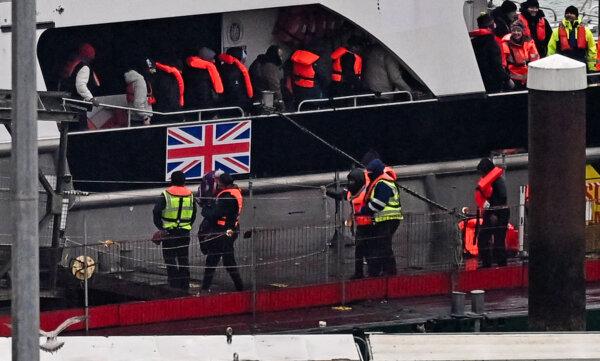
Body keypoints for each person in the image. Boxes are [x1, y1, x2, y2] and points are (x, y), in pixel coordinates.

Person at [152, 170, 197, 291]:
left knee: (170, 260)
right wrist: (187, 225)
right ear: (184, 181)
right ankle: (185, 286)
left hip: (169, 233)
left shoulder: (166, 194)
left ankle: (173, 286)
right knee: (183, 259)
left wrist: (160, 227)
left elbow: (156, 211)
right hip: (184, 232)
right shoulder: (190, 194)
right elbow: (194, 214)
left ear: (171, 180)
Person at [199, 172, 244, 292]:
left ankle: (205, 289)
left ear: (222, 183)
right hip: (230, 230)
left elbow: (214, 214)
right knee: (227, 260)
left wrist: (204, 209)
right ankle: (239, 287)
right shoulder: (235, 192)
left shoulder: (227, 197)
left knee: (214, 261)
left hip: (222, 232)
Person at [326, 168, 372, 279]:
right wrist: (326, 191)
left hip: (371, 225)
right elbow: (340, 194)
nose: (350, 184)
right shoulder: (354, 192)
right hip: (361, 226)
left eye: (352, 181)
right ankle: (359, 273)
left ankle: (373, 273)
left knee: (371, 252)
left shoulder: (368, 191)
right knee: (359, 251)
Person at [361, 159, 402, 277]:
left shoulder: (383, 183)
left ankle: (388, 271)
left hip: (388, 219)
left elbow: (379, 204)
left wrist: (365, 210)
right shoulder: (383, 181)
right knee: (382, 245)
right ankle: (385, 270)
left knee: (383, 245)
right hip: (387, 219)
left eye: (370, 173)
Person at [475, 158, 509, 268]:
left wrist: (494, 213)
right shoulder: (490, 181)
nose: (481, 174)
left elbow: (502, 197)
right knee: (483, 239)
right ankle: (486, 264)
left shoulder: (498, 181)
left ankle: (502, 265)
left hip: (499, 212)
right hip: (491, 212)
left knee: (498, 239)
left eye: (482, 171)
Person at [58, 43, 101, 129]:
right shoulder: (85, 68)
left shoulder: (75, 66)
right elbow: (81, 86)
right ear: (89, 57)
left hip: (70, 105)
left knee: (71, 129)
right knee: (81, 128)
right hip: (78, 106)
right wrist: (91, 99)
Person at [470, 14, 514, 92]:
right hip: (492, 81)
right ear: (490, 25)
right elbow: (496, 64)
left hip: (479, 79)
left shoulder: (473, 41)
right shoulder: (491, 42)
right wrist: (507, 79)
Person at [547, 6, 597, 71]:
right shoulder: (557, 31)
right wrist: (550, 65)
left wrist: (592, 68)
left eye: (572, 13)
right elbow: (551, 49)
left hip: (581, 64)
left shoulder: (586, 31)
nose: (569, 15)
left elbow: (592, 49)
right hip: (562, 65)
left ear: (576, 16)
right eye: (567, 13)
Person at [183, 47, 224, 115]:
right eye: (211, 59)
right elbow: (204, 95)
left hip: (190, 108)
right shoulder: (204, 74)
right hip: (203, 110)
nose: (214, 61)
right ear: (206, 59)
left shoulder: (189, 69)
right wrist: (211, 112)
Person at [501, 21, 539, 88]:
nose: (516, 33)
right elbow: (503, 62)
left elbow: (535, 59)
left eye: (518, 30)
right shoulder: (506, 43)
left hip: (528, 75)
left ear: (522, 31)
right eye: (514, 30)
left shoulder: (529, 42)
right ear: (511, 31)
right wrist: (507, 78)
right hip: (512, 76)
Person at [217, 47, 254, 111]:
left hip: (224, 105)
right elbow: (236, 92)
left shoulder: (222, 68)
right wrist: (248, 105)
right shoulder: (234, 71)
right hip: (236, 107)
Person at [249, 45, 284, 110]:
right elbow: (274, 85)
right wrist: (280, 101)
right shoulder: (269, 67)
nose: (281, 59)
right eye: (280, 56)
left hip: (256, 97)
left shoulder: (258, 61)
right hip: (267, 99)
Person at [152, 57, 185, 123]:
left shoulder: (157, 75)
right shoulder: (172, 79)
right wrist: (181, 117)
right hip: (169, 117)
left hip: (158, 114)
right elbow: (173, 100)